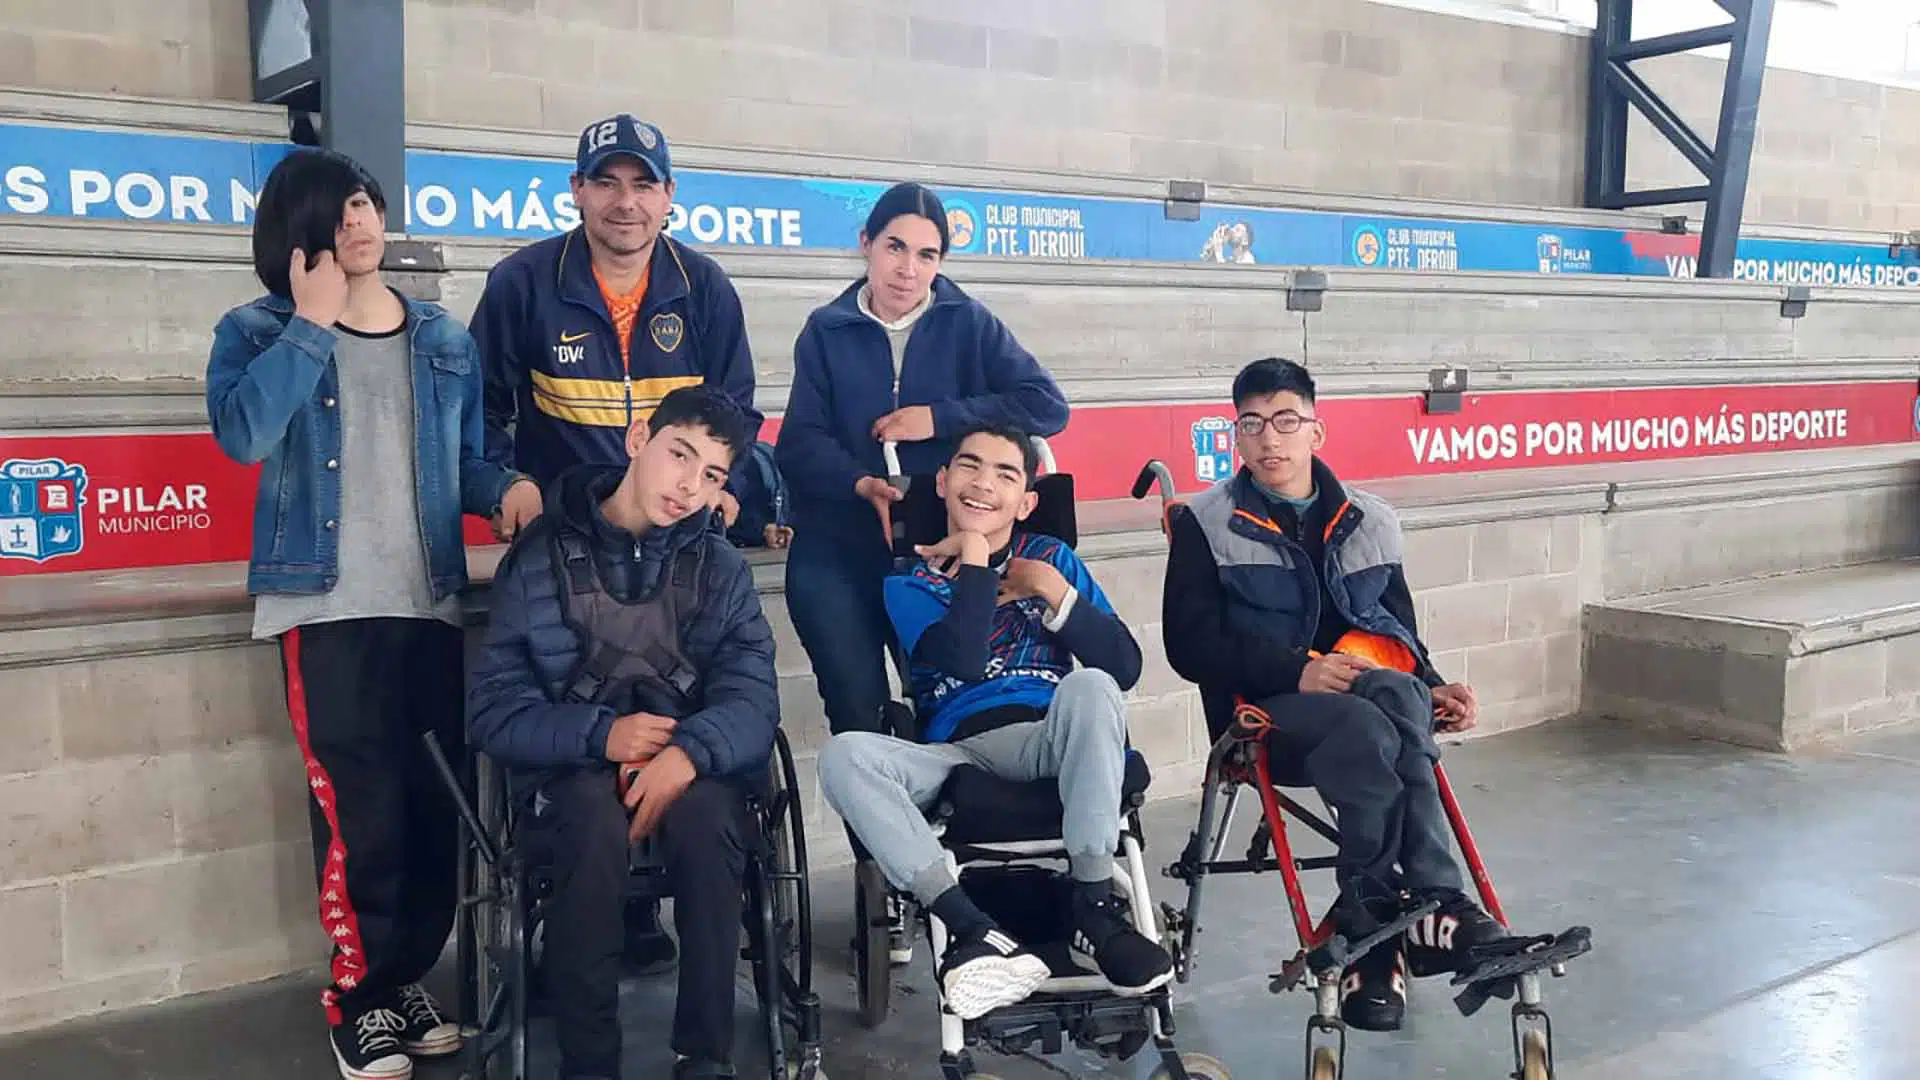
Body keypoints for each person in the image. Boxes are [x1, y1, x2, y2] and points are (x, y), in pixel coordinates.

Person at [206, 148, 523, 1080]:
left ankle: (404, 978)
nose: (358, 222)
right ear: (297, 229)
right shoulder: (256, 330)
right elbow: (243, 435)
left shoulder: (443, 338)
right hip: (324, 607)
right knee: (361, 813)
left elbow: (467, 462)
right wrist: (310, 324)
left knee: (433, 806)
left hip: (428, 600)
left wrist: (507, 491)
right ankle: (357, 998)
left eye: (365, 203)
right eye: (337, 210)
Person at [469, 112, 762, 971]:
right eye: (606, 182)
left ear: (669, 197)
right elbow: (476, 419)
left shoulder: (705, 289)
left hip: (675, 558)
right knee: (582, 756)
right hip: (566, 547)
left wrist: (725, 487)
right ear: (577, 192)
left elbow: (735, 421)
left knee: (682, 729)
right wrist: (502, 484)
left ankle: (647, 914)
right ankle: (584, 922)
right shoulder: (522, 284)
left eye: (642, 184)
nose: (624, 202)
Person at [1161, 357, 1517, 1033]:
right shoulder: (1203, 524)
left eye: (1285, 421)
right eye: (1252, 424)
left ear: (1316, 431)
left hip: (1367, 706)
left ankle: (1409, 912)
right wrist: (1295, 670)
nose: (1270, 438)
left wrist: (1434, 685)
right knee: (1369, 724)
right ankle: (1404, 918)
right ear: (1236, 437)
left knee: (1398, 699)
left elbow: (1394, 629)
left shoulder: (1371, 520)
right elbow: (1190, 646)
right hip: (1264, 715)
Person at [468, 385, 777, 1080]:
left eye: (712, 475)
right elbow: (492, 709)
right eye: (679, 455)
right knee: (589, 821)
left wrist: (689, 754)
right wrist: (600, 736)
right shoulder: (539, 559)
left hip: (692, 767)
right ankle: (589, 1061)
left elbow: (754, 698)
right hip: (574, 770)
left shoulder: (721, 569)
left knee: (710, 820)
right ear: (639, 439)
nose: (689, 486)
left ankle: (705, 1056)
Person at [817, 424, 1175, 1021]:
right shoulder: (910, 581)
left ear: (1027, 502)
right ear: (942, 481)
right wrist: (977, 557)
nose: (984, 482)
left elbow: (1125, 667)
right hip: (959, 752)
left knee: (1091, 685)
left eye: (1005, 474)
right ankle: (971, 930)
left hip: (1050, 736)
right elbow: (961, 657)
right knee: (843, 755)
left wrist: (1054, 591)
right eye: (969, 466)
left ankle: (1092, 907)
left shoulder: (1052, 560)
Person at [776, 181, 1069, 744]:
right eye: (894, 247)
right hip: (837, 547)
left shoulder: (968, 323)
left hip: (936, 549)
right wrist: (860, 482)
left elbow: (1046, 406)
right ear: (866, 244)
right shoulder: (826, 329)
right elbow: (798, 442)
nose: (908, 269)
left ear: (941, 262)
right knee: (858, 717)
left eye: (926, 254)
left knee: (942, 704)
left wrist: (937, 419)